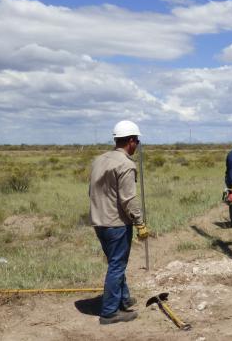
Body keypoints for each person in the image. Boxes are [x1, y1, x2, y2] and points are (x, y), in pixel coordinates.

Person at [88, 120, 150, 325]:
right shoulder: (125, 164)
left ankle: (123, 299)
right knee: (117, 265)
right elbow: (128, 200)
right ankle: (109, 312)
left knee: (116, 263)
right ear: (131, 141)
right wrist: (140, 222)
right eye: (137, 141)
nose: (137, 145)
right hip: (116, 224)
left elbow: (92, 191)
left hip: (99, 221)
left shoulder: (99, 160)